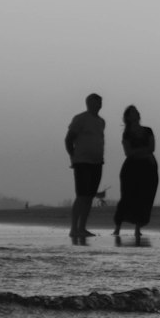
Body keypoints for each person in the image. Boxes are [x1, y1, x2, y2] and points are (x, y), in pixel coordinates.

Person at [113, 105, 158, 246]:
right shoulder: (126, 134)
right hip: (131, 169)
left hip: (148, 168)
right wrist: (144, 152)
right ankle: (117, 227)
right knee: (127, 197)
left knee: (145, 197)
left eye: (136, 111)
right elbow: (128, 152)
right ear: (127, 117)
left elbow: (152, 148)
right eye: (132, 112)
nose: (135, 113)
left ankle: (138, 228)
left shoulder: (147, 130)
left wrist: (139, 151)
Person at [65, 93, 105, 243]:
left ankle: (82, 227)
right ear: (88, 103)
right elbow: (69, 139)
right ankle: (74, 228)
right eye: (95, 102)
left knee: (89, 197)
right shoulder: (80, 119)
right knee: (81, 196)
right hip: (82, 162)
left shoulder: (101, 122)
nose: (98, 105)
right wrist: (73, 157)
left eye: (100, 102)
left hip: (97, 162)